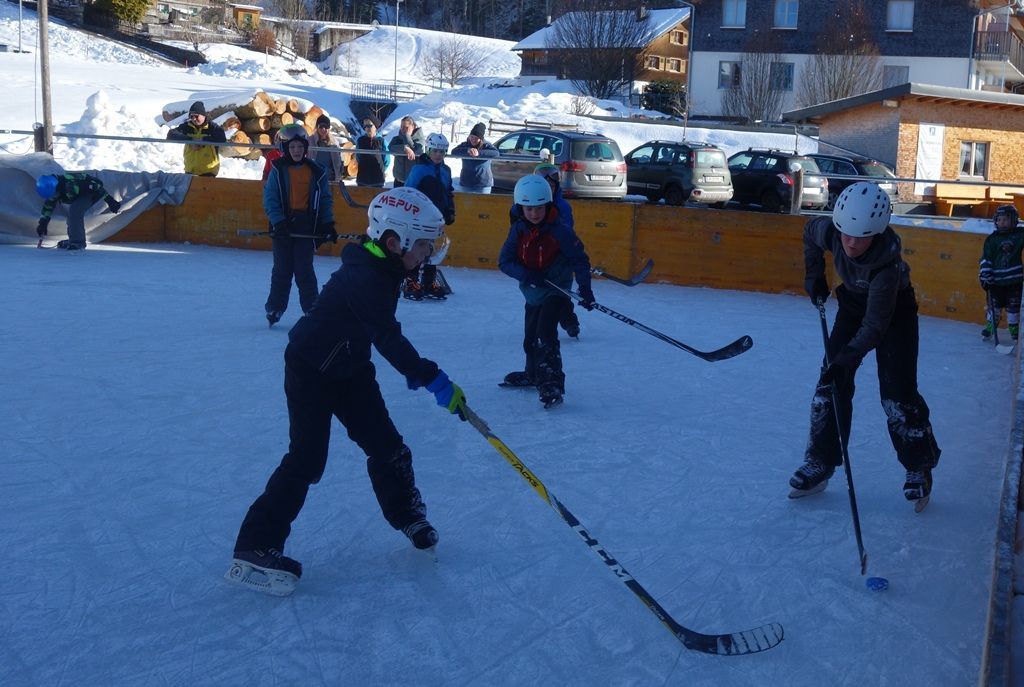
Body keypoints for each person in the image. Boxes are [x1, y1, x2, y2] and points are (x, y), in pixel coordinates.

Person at [226, 186, 466, 596]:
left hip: (351, 368)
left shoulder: (386, 267)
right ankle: (254, 547)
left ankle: (409, 517)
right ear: (395, 241)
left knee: (388, 446)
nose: (429, 253)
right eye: (424, 245)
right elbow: (388, 338)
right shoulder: (364, 277)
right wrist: (432, 378)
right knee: (306, 461)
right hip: (311, 369)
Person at [790, 181, 941, 505]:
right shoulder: (831, 231)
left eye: (860, 237)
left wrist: (847, 359)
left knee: (897, 394)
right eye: (846, 234)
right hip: (854, 303)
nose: (850, 243)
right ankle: (821, 459)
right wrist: (815, 275)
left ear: (875, 233)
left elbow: (875, 326)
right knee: (828, 385)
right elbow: (808, 233)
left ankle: (919, 465)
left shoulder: (886, 267)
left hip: (894, 313)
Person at [498, 175, 595, 409]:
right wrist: (528, 275)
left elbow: (580, 260)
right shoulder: (518, 230)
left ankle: (551, 382)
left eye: (539, 207)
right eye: (529, 208)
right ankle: (532, 374)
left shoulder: (560, 230)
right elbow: (505, 261)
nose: (534, 213)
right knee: (530, 337)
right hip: (533, 290)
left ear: (548, 205)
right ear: (520, 207)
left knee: (545, 333)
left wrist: (585, 290)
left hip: (556, 288)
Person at [263, 124, 336, 327]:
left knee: (304, 270)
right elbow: (271, 199)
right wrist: (278, 222)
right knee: (282, 270)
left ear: (306, 148)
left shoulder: (316, 171)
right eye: (292, 146)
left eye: (300, 147)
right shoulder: (278, 169)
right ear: (286, 148)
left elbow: (325, 200)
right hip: (283, 226)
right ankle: (275, 307)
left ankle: (312, 308)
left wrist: (327, 224)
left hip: (306, 226)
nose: (296, 150)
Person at [403, 133, 456, 300]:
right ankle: (411, 281)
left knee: (433, 249)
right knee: (417, 248)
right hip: (419, 217)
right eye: (435, 151)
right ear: (428, 149)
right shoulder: (419, 170)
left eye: (443, 151)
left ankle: (429, 281)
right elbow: (408, 191)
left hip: (437, 217)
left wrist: (450, 210)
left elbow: (448, 192)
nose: (439, 155)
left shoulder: (446, 171)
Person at [534, 162, 581, 339]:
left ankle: (569, 321)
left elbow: (567, 231)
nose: (549, 190)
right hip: (537, 257)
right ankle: (539, 322)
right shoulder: (531, 205)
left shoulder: (562, 207)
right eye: (546, 186)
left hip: (558, 258)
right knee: (541, 292)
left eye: (552, 186)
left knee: (560, 292)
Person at [35, 172, 121, 251]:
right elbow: (48, 206)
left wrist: (110, 201)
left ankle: (78, 243)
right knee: (72, 214)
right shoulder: (54, 189)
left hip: (92, 191)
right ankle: (73, 240)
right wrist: (43, 222)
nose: (53, 197)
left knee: (75, 210)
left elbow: (97, 187)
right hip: (78, 194)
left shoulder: (72, 183)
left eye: (53, 195)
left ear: (56, 187)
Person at [979, 204, 1024, 340]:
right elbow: (986, 258)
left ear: (1014, 220)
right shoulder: (992, 240)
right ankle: (991, 326)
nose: (1002, 222)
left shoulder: (1019, 234)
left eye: (1006, 219)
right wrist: (985, 275)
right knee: (994, 307)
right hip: (996, 282)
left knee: (1013, 308)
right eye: (999, 219)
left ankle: (1014, 329)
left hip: (1015, 281)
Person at [166, 101, 227, 177]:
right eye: (191, 116)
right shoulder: (187, 126)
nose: (194, 119)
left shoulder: (212, 127)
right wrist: (190, 140)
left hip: (208, 171)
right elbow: (171, 134)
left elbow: (222, 138)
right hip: (190, 170)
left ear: (203, 115)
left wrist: (203, 141)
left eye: (196, 116)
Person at [451, 122, 498, 194]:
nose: (473, 139)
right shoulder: (465, 145)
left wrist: (479, 153)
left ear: (481, 139)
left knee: (483, 204)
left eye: (476, 138)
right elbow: (454, 152)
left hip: (483, 184)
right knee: (466, 205)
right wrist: (467, 151)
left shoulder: (486, 145)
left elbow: (496, 153)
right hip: (466, 183)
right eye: (472, 137)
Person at [388, 116, 425, 188]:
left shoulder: (419, 140)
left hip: (414, 181)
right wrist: (404, 148)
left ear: (413, 126)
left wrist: (407, 136)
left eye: (406, 127)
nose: (403, 129)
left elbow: (416, 150)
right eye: (401, 127)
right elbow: (391, 148)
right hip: (398, 180)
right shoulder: (396, 139)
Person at [355, 115, 390, 188]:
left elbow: (386, 160)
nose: (367, 128)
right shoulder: (360, 140)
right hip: (362, 179)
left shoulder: (381, 141)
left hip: (377, 179)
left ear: (375, 126)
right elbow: (358, 157)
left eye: (370, 125)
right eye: (365, 126)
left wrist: (381, 170)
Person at [310, 115, 344, 183]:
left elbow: (340, 161)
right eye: (321, 126)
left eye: (326, 126)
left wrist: (339, 176)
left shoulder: (334, 143)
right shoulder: (309, 141)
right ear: (317, 127)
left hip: (331, 180)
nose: (323, 129)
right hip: (314, 179)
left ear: (329, 128)